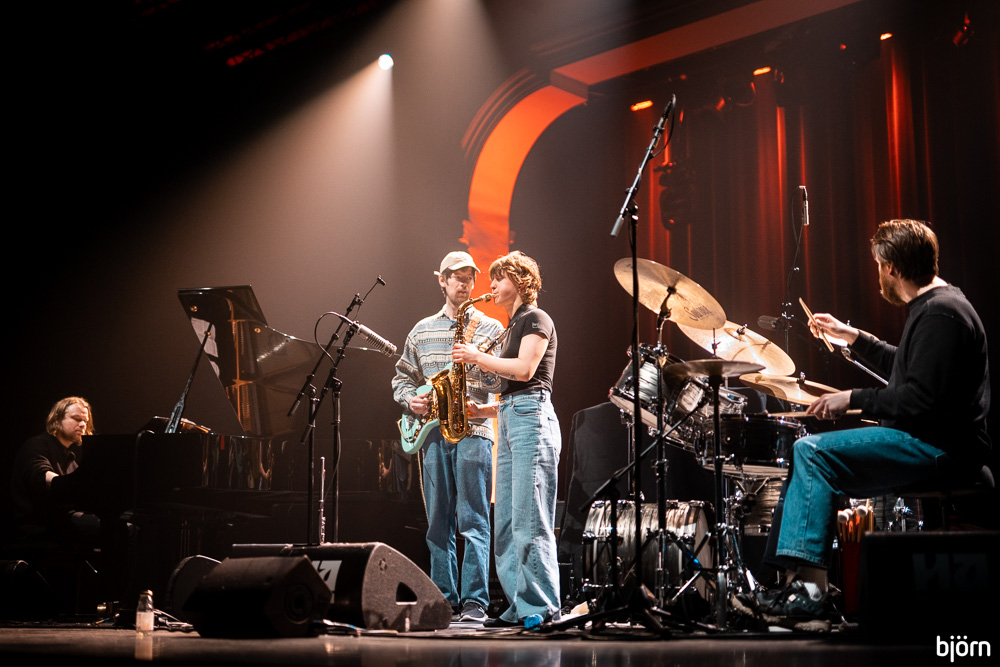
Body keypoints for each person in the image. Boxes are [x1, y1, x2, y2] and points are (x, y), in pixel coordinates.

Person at [755, 219, 991, 631]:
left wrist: (852, 398)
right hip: (929, 440)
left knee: (812, 452)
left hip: (940, 449)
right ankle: (788, 584)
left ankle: (810, 596)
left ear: (892, 268)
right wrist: (852, 336)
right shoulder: (939, 306)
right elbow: (907, 366)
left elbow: (919, 397)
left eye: (879, 266)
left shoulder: (942, 313)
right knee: (806, 454)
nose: (878, 274)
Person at [392, 251, 504, 623]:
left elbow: (501, 384)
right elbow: (402, 378)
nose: (465, 283)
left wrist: (478, 361)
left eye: (470, 277)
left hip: (474, 431)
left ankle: (475, 602)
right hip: (432, 434)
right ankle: (442, 599)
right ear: (442, 280)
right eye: (457, 276)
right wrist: (411, 399)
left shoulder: (490, 328)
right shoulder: (421, 330)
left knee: (473, 519)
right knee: (438, 521)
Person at [455, 250, 562, 627]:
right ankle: (519, 605)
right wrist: (482, 411)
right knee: (506, 522)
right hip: (511, 415)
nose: (492, 285)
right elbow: (512, 389)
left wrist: (476, 357)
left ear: (518, 280)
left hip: (532, 417)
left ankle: (541, 608)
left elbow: (526, 370)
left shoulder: (536, 318)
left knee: (530, 519)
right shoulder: (513, 324)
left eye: (498, 278)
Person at [10, 396, 101, 544]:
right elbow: (42, 477)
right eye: (77, 419)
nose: (83, 424)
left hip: (61, 522)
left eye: (85, 421)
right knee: (122, 530)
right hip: (40, 526)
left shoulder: (70, 458)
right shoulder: (36, 445)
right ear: (57, 419)